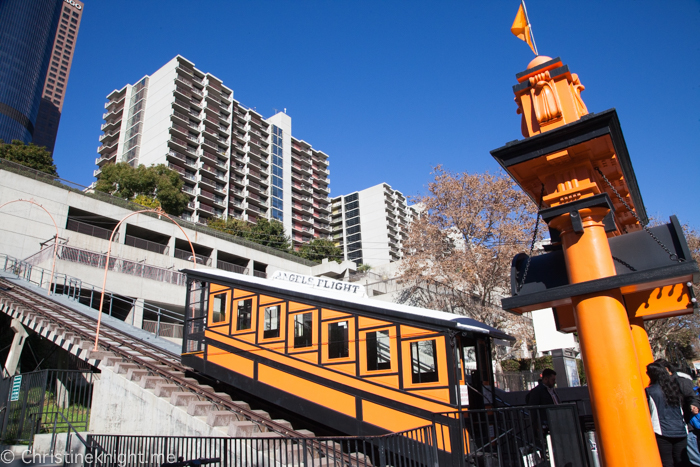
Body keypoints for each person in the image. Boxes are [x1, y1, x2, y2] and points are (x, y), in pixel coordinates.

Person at [656, 359, 700, 466]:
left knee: (693, 457)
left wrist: (694, 405)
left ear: (666, 369)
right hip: (673, 426)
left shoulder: (681, 381)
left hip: (687, 424)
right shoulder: (659, 384)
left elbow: (693, 397)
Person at [647, 362, 690, 467]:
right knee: (682, 460)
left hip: (661, 430)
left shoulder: (650, 391)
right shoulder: (674, 388)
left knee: (666, 461)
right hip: (680, 428)